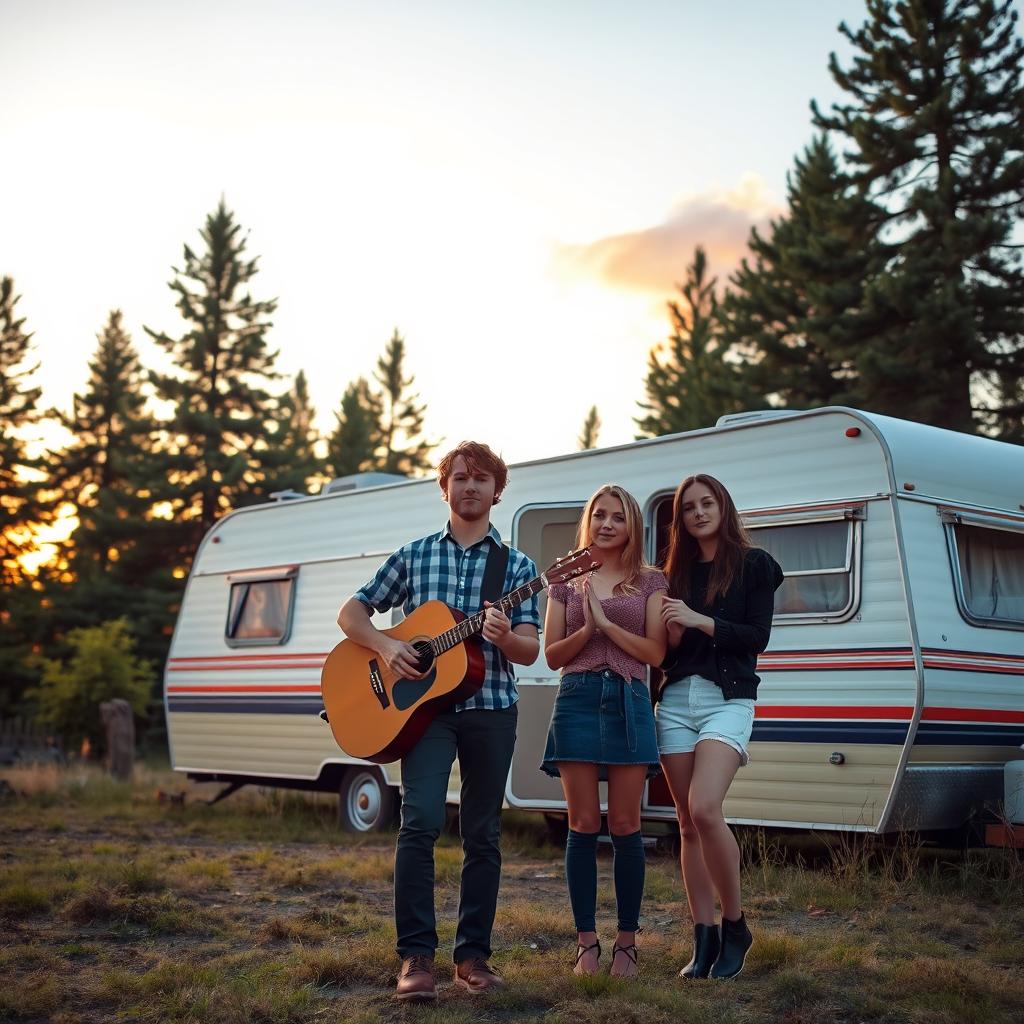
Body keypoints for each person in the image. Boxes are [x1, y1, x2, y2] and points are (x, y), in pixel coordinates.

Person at [337, 442, 540, 1003]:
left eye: (480, 479)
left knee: (483, 834)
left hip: (492, 709)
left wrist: (504, 637)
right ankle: (416, 958)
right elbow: (351, 612)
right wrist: (385, 646)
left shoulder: (517, 567)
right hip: (424, 715)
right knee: (419, 822)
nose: (470, 486)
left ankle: (472, 957)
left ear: (496, 492)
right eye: (459, 477)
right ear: (444, 487)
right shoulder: (414, 555)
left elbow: (530, 650)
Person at [656, 474, 783, 980]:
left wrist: (700, 620)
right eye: (689, 508)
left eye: (707, 504)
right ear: (681, 520)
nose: (699, 513)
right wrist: (670, 627)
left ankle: (736, 926)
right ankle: (703, 937)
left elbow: (758, 637)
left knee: (706, 808)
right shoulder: (676, 573)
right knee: (685, 823)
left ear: (722, 507)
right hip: (676, 701)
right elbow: (667, 651)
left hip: (726, 701)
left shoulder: (754, 565)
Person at [540, 484, 667, 979]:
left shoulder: (652, 581)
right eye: (599, 515)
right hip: (577, 699)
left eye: (618, 516)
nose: (607, 524)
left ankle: (627, 944)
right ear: (588, 522)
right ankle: (587, 943)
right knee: (583, 824)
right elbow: (552, 656)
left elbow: (656, 654)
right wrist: (587, 630)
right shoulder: (566, 580)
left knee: (627, 826)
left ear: (632, 524)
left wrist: (606, 626)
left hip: (630, 700)